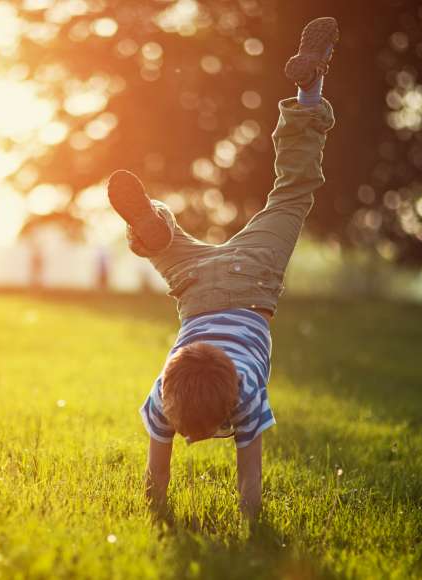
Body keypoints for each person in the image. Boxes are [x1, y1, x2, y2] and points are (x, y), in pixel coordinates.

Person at [107, 16, 339, 519]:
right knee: (180, 242)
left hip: (249, 280)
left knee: (292, 195)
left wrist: (159, 515)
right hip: (195, 288)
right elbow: (243, 482)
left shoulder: (236, 395)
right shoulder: (165, 394)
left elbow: (163, 478)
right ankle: (155, 231)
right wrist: (244, 520)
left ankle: (309, 92)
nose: (191, 439)